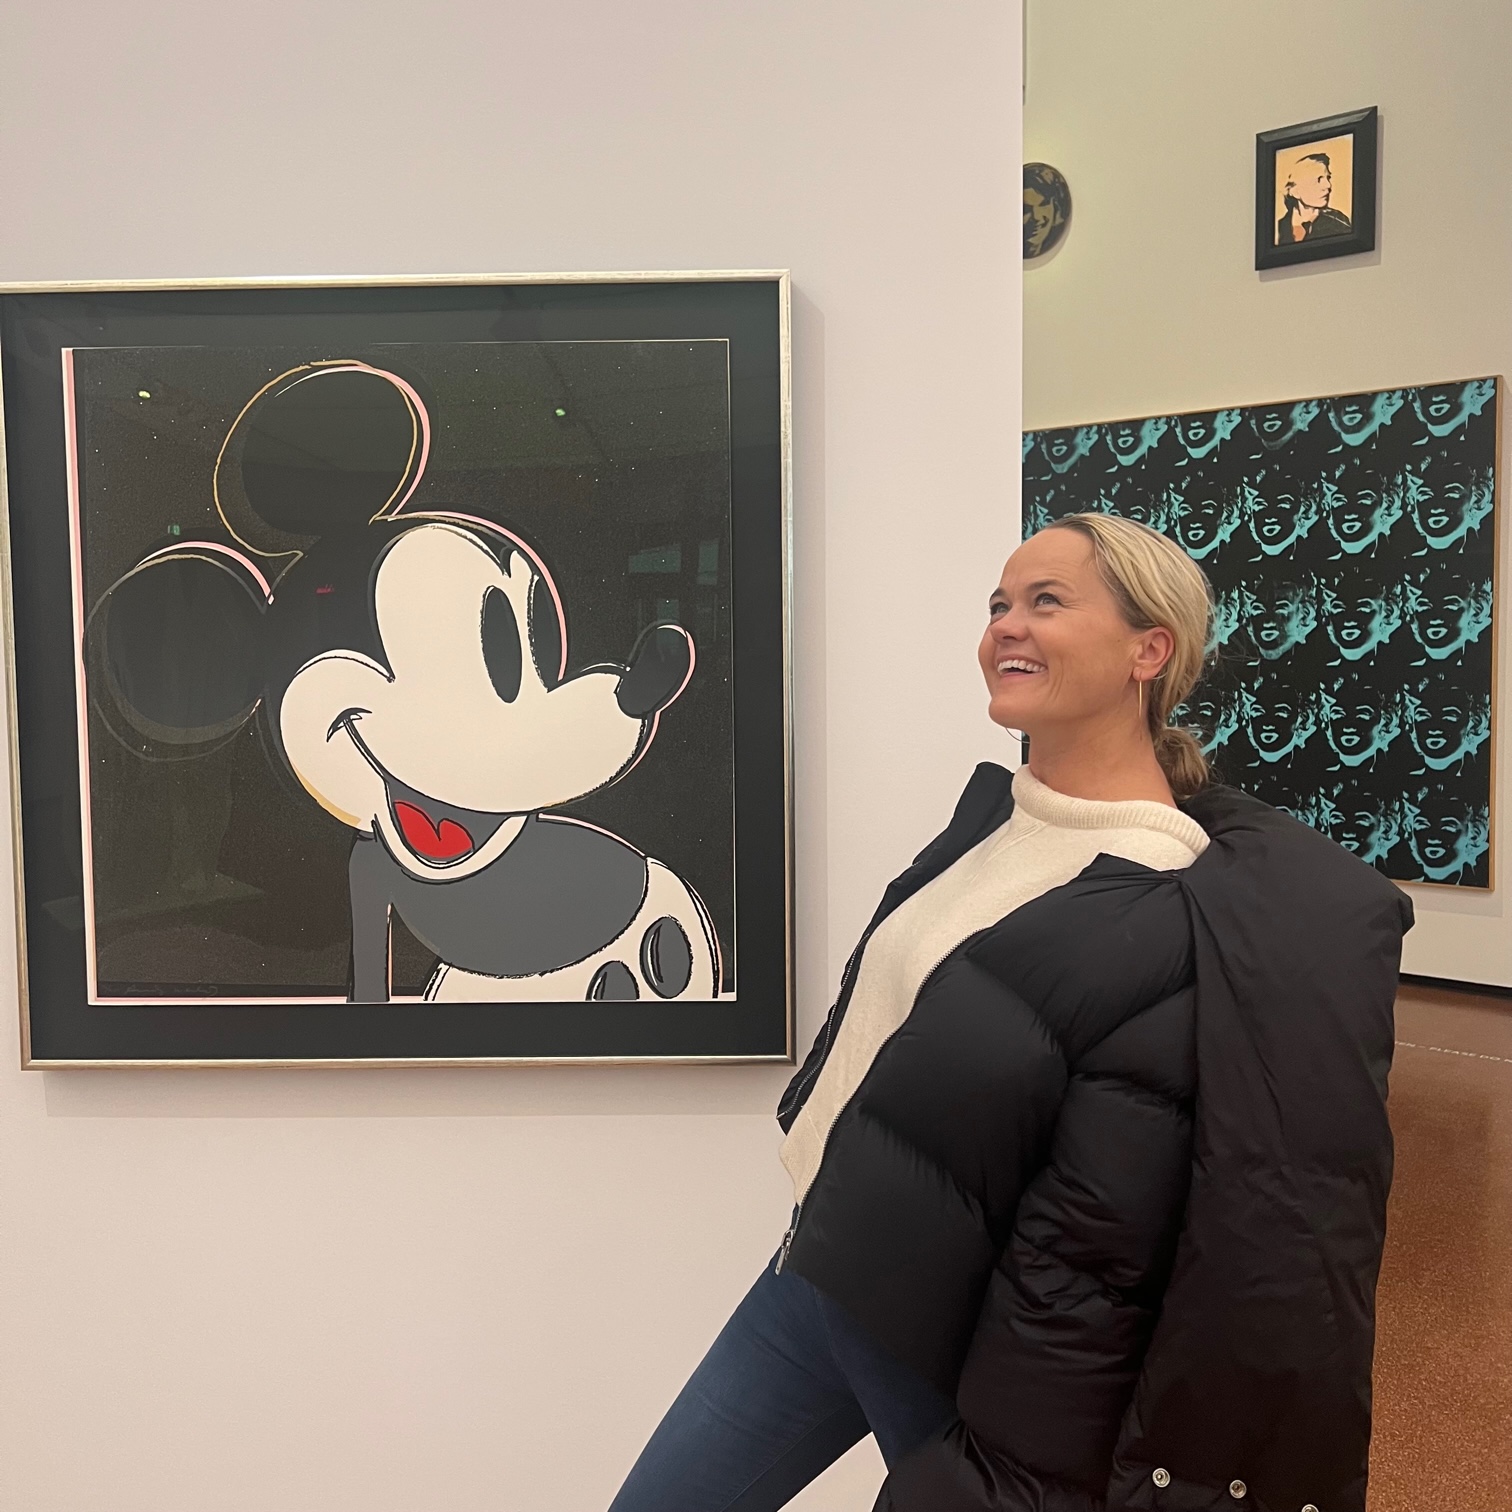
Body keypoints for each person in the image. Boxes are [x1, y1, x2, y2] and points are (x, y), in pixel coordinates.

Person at [609, 514, 1411, 1512]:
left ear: (1148, 651)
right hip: (816, 1266)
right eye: (999, 604)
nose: (1006, 627)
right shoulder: (997, 821)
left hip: (933, 1334)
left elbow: (1098, 1230)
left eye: (1047, 602)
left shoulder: (1162, 896)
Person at [1277, 151, 1352, 243]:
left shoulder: (1339, 223)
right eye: (1318, 180)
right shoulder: (1279, 226)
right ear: (1294, 191)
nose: (1328, 185)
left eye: (1328, 178)